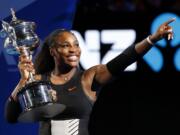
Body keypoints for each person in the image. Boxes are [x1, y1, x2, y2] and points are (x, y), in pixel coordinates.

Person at [4, 18, 175, 135]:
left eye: (76, 45)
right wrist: (23, 81)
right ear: (53, 51)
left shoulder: (88, 78)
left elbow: (123, 60)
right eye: (65, 45)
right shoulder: (40, 81)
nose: (73, 50)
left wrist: (152, 39)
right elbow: (10, 117)